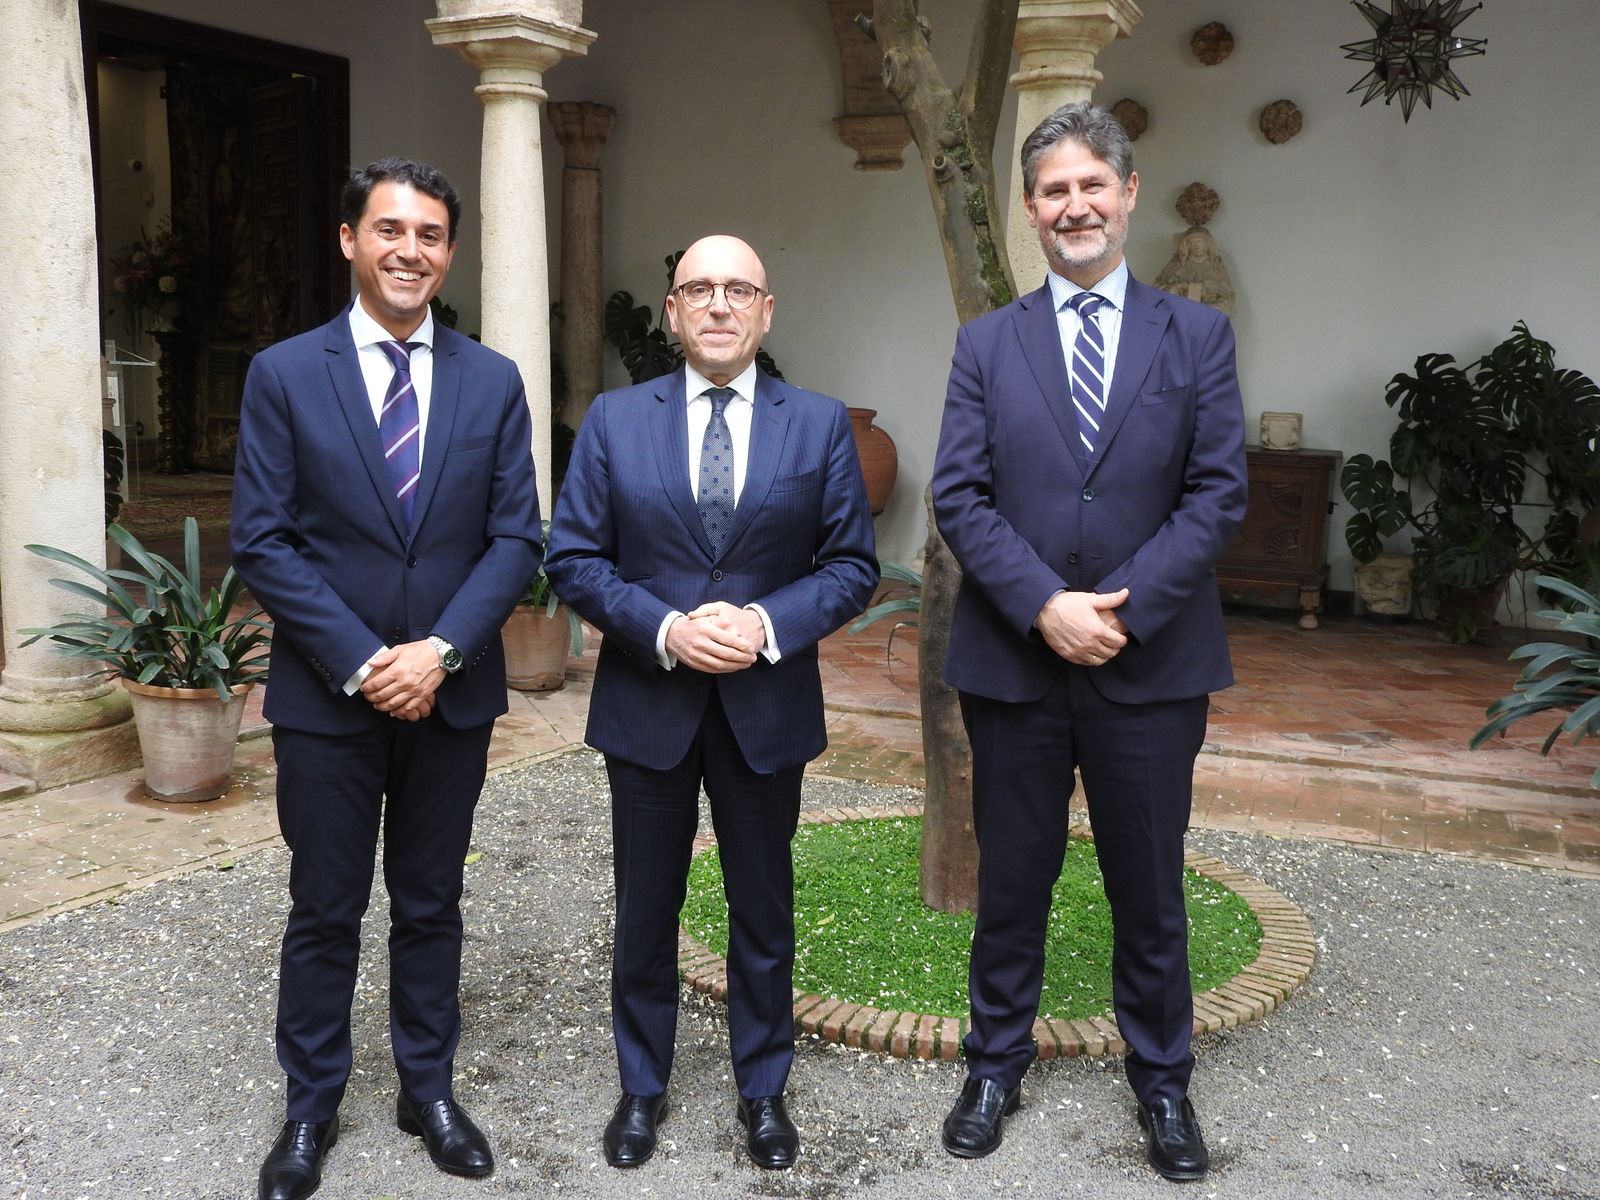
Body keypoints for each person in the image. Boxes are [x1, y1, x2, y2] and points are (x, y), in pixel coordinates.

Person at [930, 101, 1247, 1182]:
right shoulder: (986, 344)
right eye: (1053, 190)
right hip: (1015, 666)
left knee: (1149, 889)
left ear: (1127, 193)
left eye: (1090, 185)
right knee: (1010, 880)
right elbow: (959, 497)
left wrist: (1118, 606)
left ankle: (1163, 1086)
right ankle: (991, 1065)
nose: (1073, 205)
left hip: (1150, 668)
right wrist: (1043, 606)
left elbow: (1216, 495)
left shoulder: (1194, 336)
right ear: (1030, 209)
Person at [231, 158, 541, 1200]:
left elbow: (514, 538)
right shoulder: (283, 373)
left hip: (449, 692)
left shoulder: (493, 381)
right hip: (328, 697)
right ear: (349, 240)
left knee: (431, 901)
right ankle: (310, 1105)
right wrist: (367, 661)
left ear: (450, 253)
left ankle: (428, 1089)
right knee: (324, 906)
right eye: (391, 230)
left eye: (432, 236)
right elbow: (264, 542)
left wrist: (440, 653)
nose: (411, 250)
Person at [544, 235, 878, 1172]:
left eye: (739, 290)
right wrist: (664, 629)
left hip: (764, 706)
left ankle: (762, 1090)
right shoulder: (615, 420)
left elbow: (851, 566)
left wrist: (765, 624)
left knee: (763, 909)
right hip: (649, 703)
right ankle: (642, 1089)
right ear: (675, 309)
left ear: (768, 311)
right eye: (700, 289)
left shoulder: (816, 425)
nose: (720, 305)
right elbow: (573, 556)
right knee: (645, 908)